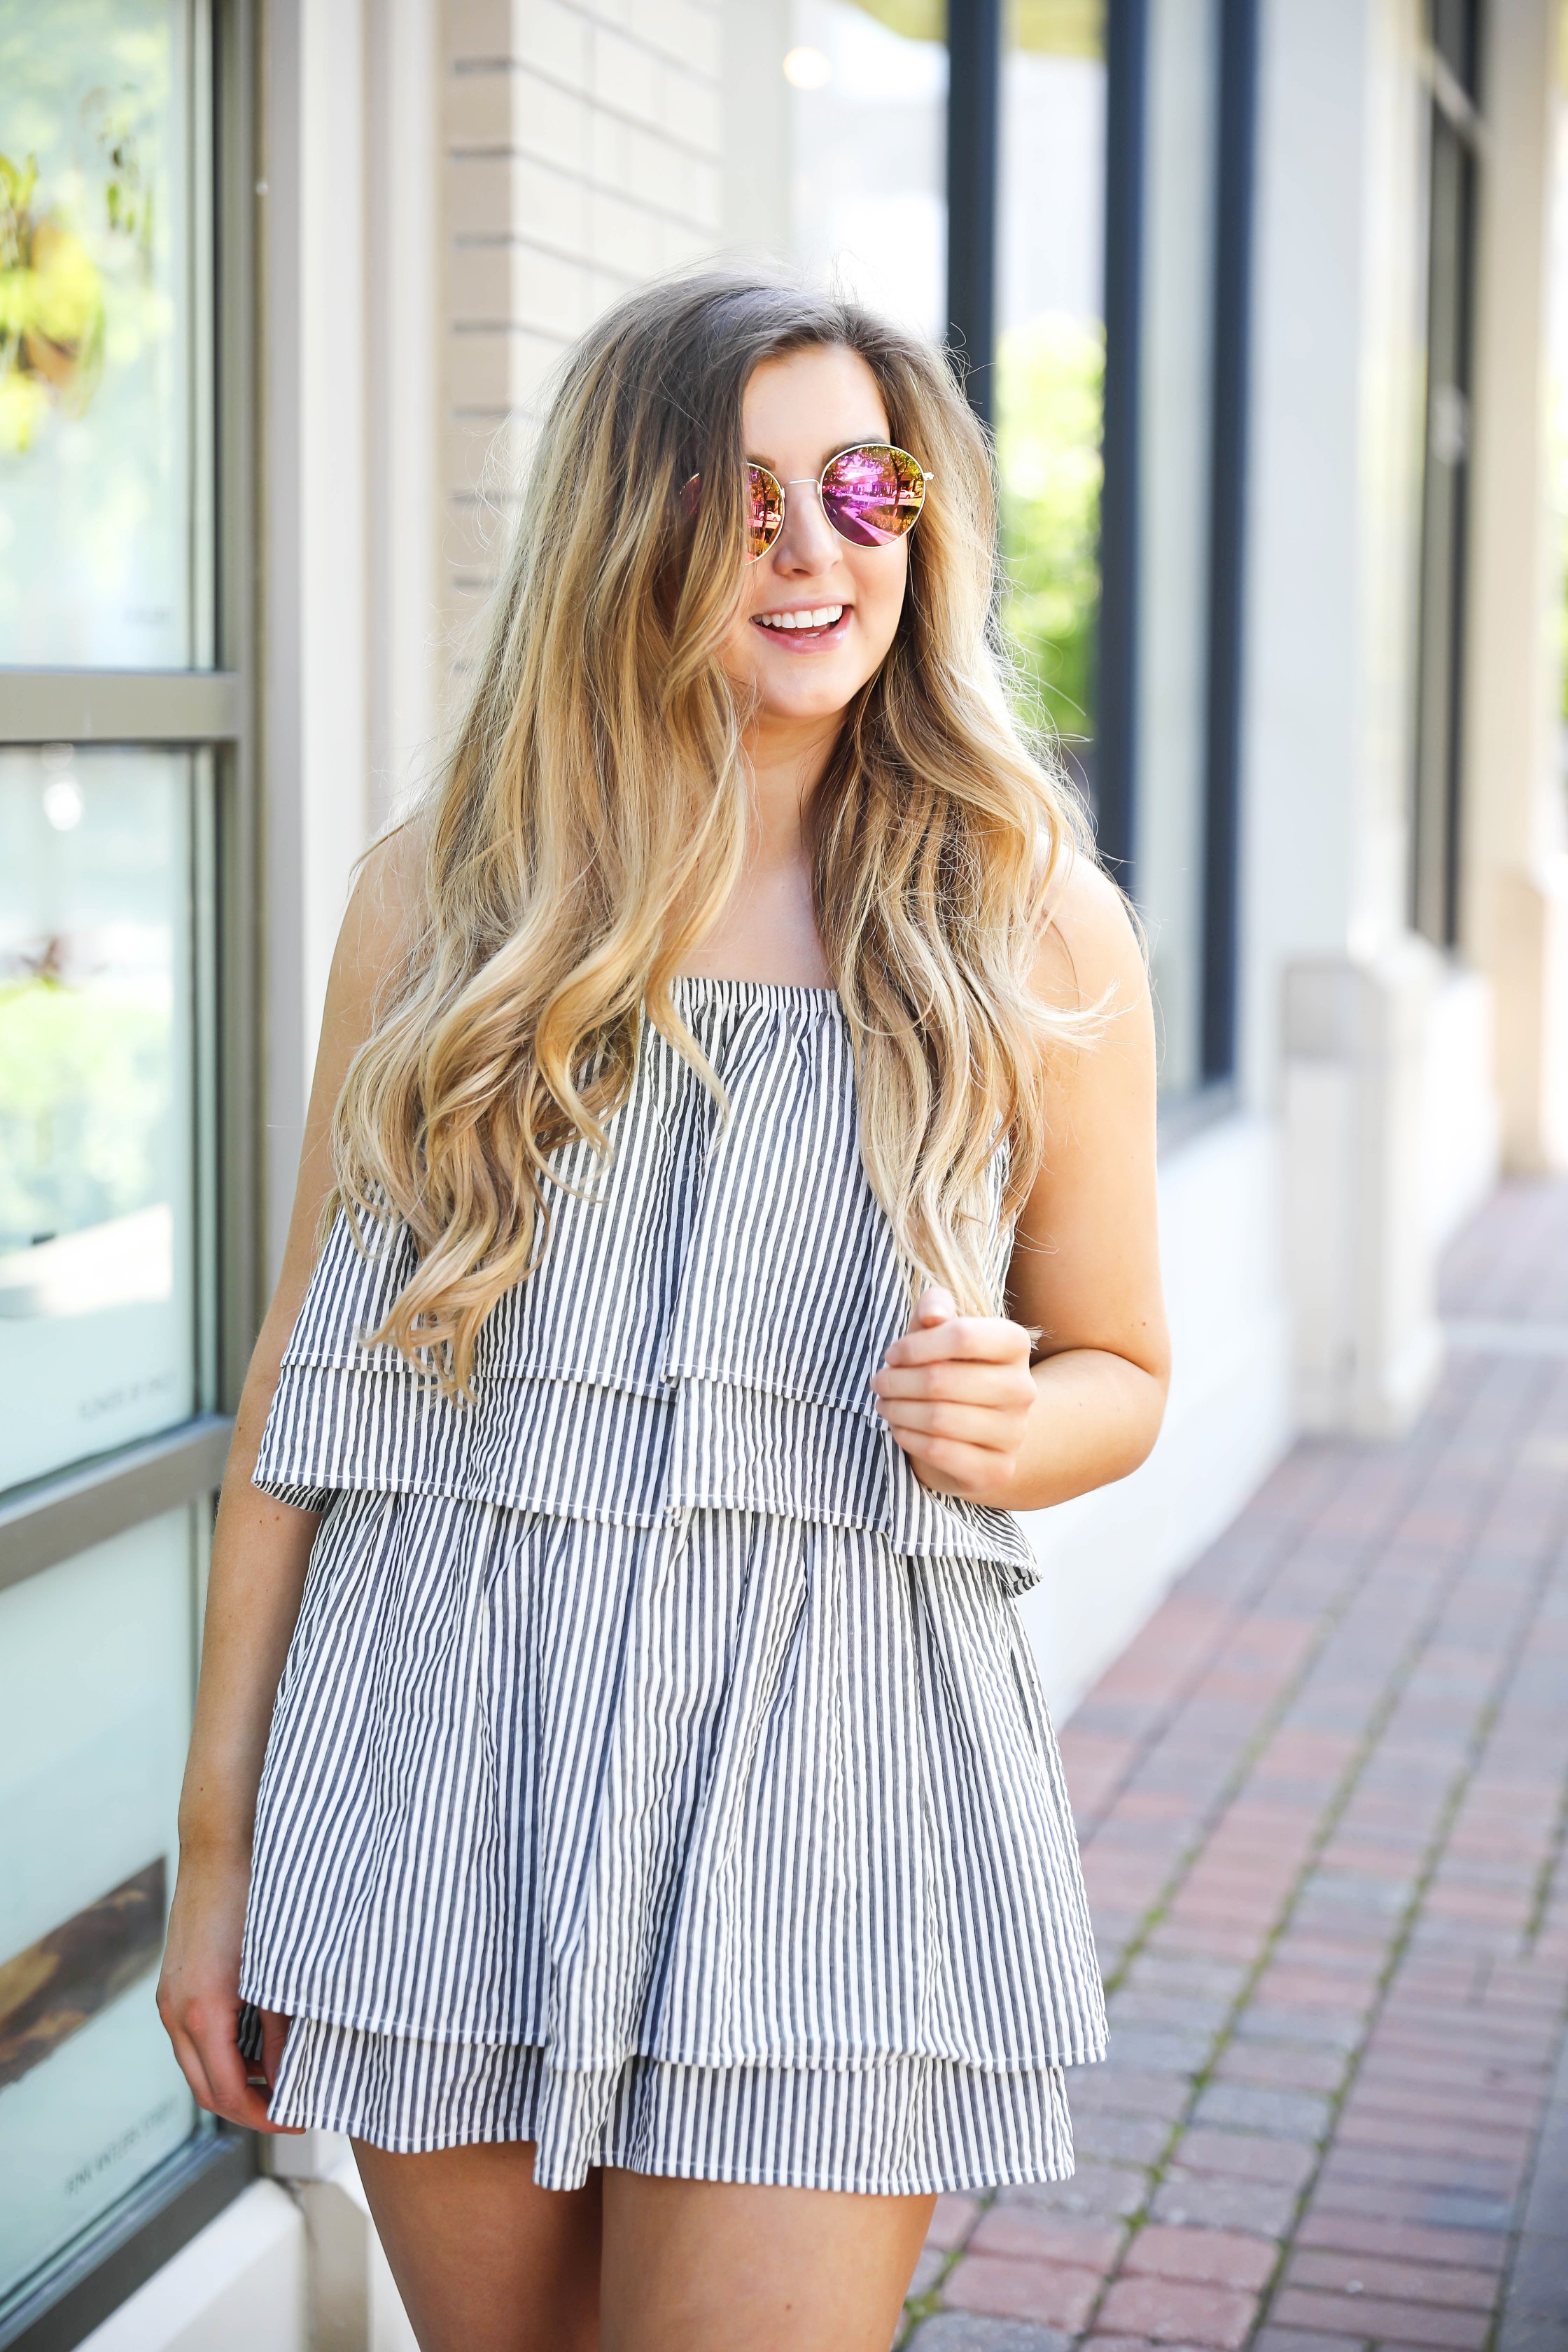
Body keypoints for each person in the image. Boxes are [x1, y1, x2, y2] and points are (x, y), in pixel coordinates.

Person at [156, 273, 1168, 2352]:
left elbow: (1124, 1372)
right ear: (626, 534)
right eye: (745, 497)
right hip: (444, 1766)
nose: (819, 550)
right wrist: (212, 1856)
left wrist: (1016, 1420)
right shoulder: (442, 900)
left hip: (833, 1781)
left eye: (866, 484)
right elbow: (301, 1392)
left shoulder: (1028, 912)